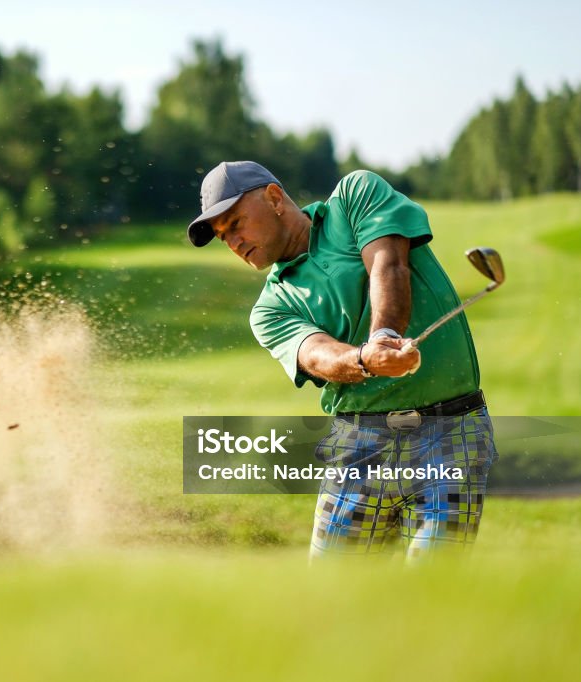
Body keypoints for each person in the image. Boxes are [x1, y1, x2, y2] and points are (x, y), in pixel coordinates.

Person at [187, 161, 497, 561]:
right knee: (333, 600)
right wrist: (364, 359)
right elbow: (316, 354)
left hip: (452, 436)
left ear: (274, 198)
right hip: (358, 446)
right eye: (222, 236)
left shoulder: (355, 197)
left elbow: (388, 263)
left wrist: (383, 335)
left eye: (236, 223)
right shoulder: (270, 308)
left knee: (431, 585)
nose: (233, 242)